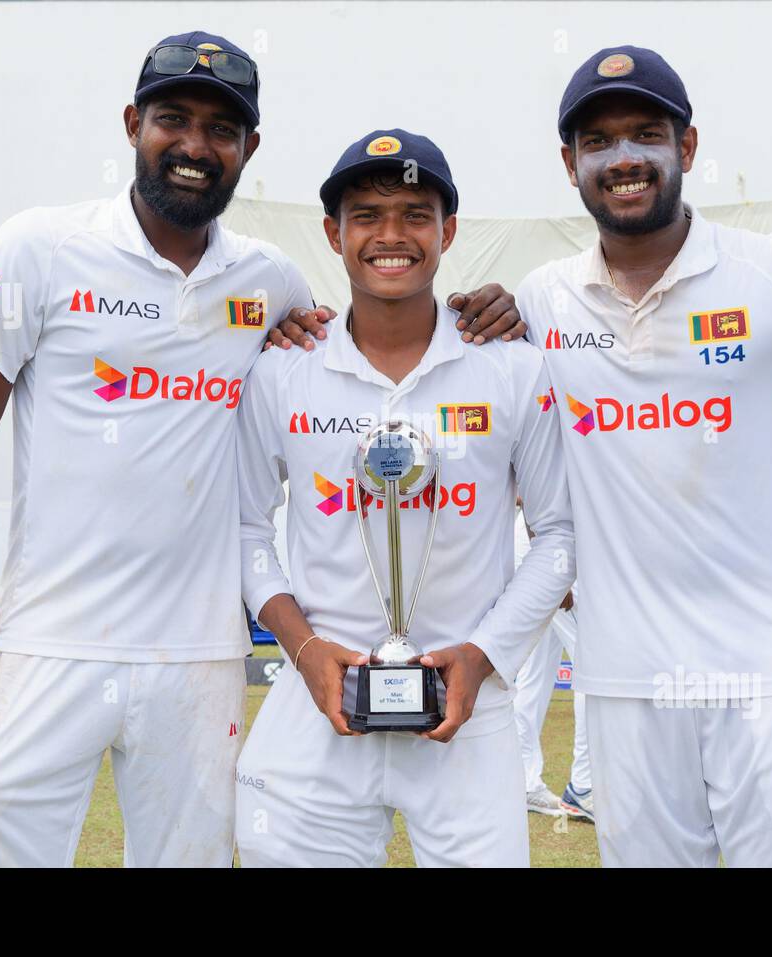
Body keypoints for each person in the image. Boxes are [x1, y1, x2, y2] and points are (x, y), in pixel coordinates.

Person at [0, 32, 524, 868]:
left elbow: (369, 344)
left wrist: (485, 311)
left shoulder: (268, 283)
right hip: (48, 639)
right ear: (133, 123)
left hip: (200, 657)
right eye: (175, 119)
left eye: (222, 130)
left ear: (249, 148)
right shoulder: (39, 249)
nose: (196, 146)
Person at [515, 45, 772, 867]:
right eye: (598, 143)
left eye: (647, 134)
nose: (625, 158)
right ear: (571, 165)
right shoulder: (540, 301)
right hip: (626, 687)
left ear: (688, 148)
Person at [234, 130, 575, 867]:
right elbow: (244, 529)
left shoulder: (513, 368)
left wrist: (481, 655)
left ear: (448, 231)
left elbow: (559, 535)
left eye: (416, 214)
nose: (392, 235)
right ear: (334, 233)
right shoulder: (283, 371)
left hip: (466, 717)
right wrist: (306, 648)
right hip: (316, 709)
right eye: (367, 215)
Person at [513, 507, 592, 821]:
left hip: (553, 550)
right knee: (592, 670)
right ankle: (584, 788)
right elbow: (526, 494)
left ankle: (525, 782)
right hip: (553, 553)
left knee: (535, 676)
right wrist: (551, 573)